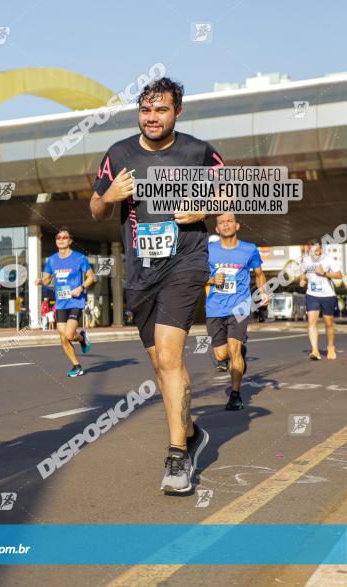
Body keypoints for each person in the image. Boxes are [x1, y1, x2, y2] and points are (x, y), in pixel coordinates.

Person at [89, 77, 222, 494]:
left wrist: (200, 208)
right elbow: (94, 209)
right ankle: (193, 431)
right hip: (141, 270)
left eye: (161, 110)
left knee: (169, 356)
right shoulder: (119, 154)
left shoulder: (199, 152)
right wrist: (108, 195)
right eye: (146, 110)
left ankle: (178, 457)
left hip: (186, 261)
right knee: (162, 367)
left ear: (177, 112)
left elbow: (229, 197)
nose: (152, 118)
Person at [205, 214, 268, 410]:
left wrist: (263, 292)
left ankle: (235, 394)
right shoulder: (208, 250)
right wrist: (212, 280)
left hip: (239, 306)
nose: (225, 224)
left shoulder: (249, 249)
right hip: (215, 307)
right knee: (221, 355)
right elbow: (198, 276)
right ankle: (239, 351)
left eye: (229, 221)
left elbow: (259, 274)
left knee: (233, 350)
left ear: (237, 225)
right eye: (221, 222)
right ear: (217, 229)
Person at [35, 227, 95, 376]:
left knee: (69, 334)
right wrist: (42, 281)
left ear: (70, 241)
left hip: (75, 301)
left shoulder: (79, 258)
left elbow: (91, 277)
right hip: (61, 303)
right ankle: (76, 366)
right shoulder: (52, 260)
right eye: (58, 237)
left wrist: (81, 288)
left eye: (64, 237)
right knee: (63, 337)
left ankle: (82, 337)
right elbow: (49, 279)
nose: (60, 239)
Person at [299, 240, 342, 360]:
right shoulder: (306, 260)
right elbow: (302, 273)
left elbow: (339, 275)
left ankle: (331, 347)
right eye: (313, 250)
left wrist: (324, 273)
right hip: (312, 294)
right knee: (312, 321)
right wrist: (303, 279)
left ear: (321, 249)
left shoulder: (328, 260)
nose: (315, 252)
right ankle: (315, 350)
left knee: (328, 323)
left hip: (328, 295)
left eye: (317, 250)